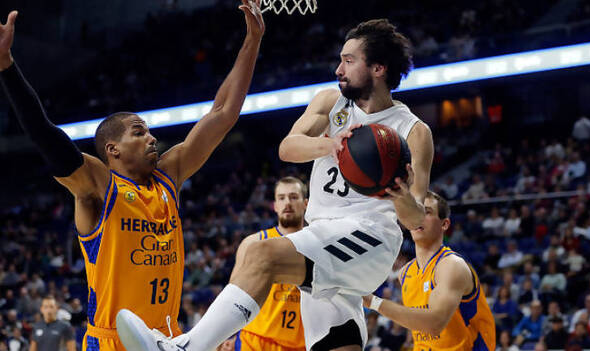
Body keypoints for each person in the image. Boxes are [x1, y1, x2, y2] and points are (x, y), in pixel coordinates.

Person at [117, 18, 433, 351]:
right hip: (321, 237)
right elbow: (287, 147)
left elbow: (415, 220)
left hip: (369, 238)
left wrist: (399, 194)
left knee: (260, 253)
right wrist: (332, 145)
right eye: (340, 59)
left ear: (378, 68)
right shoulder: (330, 103)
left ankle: (185, 348)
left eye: (349, 61)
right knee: (338, 344)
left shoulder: (412, 130)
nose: (338, 68)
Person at [0, 1, 264, 350]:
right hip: (111, 342)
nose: (151, 137)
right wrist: (6, 66)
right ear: (113, 150)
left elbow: (223, 112)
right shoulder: (99, 186)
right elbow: (45, 133)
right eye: (138, 132)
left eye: (149, 131)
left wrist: (253, 40)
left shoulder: (170, 175)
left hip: (167, 340)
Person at [362, 191, 496, 350]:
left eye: (426, 212)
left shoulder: (451, 265)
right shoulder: (405, 273)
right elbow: (418, 326)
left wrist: (373, 302)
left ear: (444, 224)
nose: (418, 217)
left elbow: (434, 324)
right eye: (416, 211)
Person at [230, 177, 308, 351]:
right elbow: (232, 296)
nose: (287, 203)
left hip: (301, 345)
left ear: (306, 203)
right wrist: (226, 335)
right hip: (255, 341)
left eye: (294, 197)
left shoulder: (317, 244)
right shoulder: (254, 243)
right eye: (281, 198)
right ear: (275, 206)